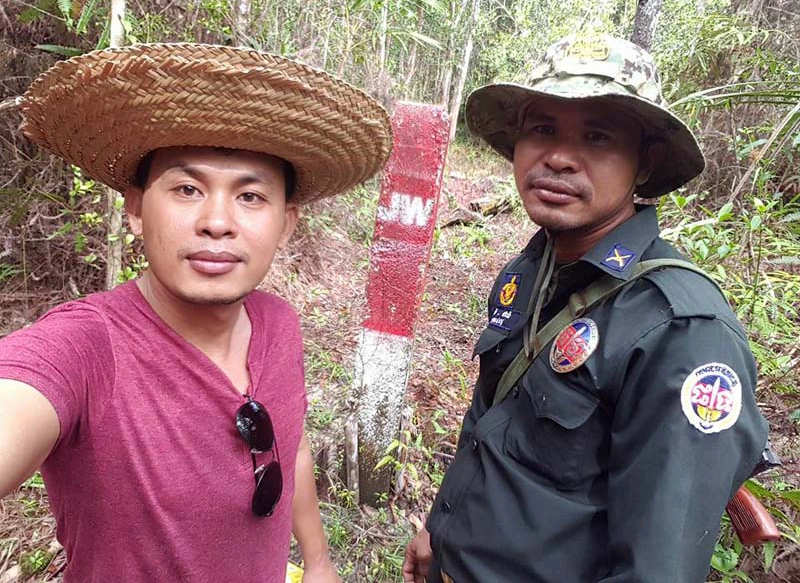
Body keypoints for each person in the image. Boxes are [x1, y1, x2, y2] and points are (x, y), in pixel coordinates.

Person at [0, 43, 392, 582]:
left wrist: (319, 562)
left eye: (251, 197)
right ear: (136, 209)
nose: (216, 222)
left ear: (286, 224)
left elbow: (289, 446)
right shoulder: (86, 348)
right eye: (187, 189)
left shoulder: (280, 324)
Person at [402, 33, 769, 582]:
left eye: (596, 136)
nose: (558, 157)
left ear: (644, 164)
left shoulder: (680, 331)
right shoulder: (532, 267)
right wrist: (441, 529)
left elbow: (656, 569)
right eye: (542, 129)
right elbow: (491, 414)